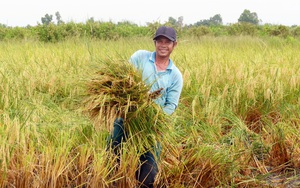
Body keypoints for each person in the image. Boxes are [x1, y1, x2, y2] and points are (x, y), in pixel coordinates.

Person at [108, 26, 183, 188]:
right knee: (111, 154)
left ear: (174, 45)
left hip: (152, 127)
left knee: (148, 173)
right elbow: (125, 79)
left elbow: (171, 105)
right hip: (128, 117)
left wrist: (152, 116)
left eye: (167, 42)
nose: (163, 45)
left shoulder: (175, 75)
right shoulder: (140, 57)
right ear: (154, 42)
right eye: (159, 41)